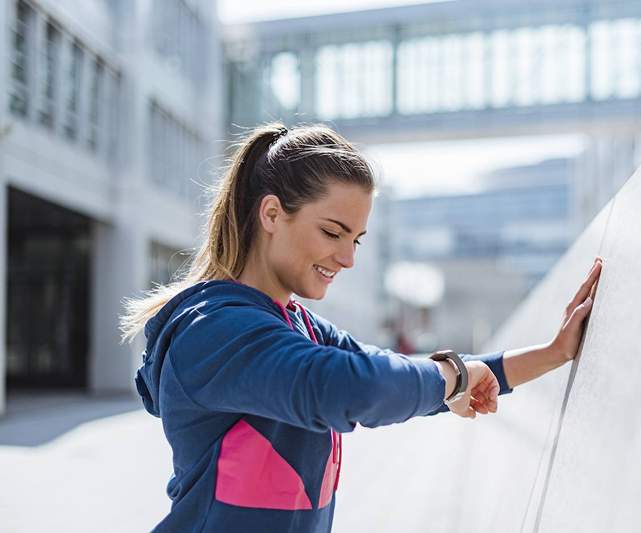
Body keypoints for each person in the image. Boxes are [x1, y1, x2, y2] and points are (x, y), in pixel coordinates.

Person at [120, 122, 602, 532]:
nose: (348, 258)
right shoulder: (214, 330)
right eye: (332, 232)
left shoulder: (297, 324)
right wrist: (452, 377)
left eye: (357, 239)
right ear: (271, 214)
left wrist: (555, 351)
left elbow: (394, 371)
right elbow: (348, 386)